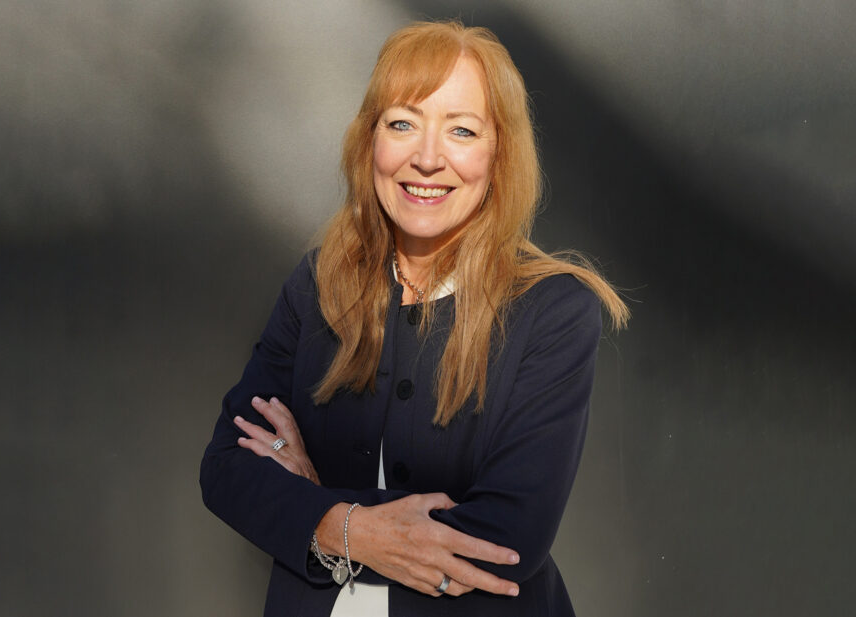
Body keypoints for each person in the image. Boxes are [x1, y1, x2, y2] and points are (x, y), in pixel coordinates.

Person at [200, 20, 628, 617]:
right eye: (403, 123)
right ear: (369, 140)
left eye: (461, 130)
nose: (427, 159)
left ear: (498, 154)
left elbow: (508, 537)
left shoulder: (555, 310)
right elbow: (226, 468)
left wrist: (319, 507)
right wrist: (357, 525)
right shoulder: (318, 286)